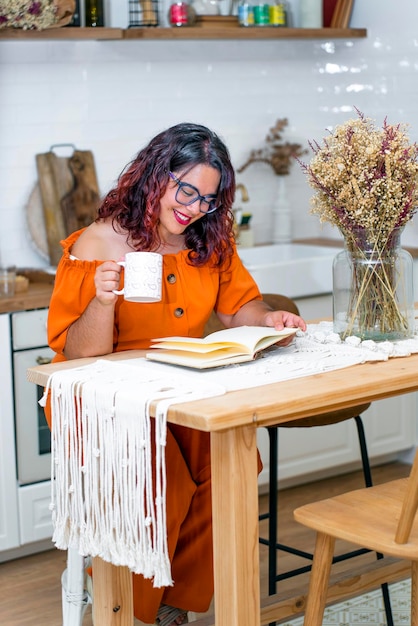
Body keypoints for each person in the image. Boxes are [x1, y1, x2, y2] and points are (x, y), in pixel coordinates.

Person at [46, 122, 306, 626]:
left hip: (180, 389)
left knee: (232, 462)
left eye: (208, 199)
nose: (193, 207)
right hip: (105, 398)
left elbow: (238, 310)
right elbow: (78, 354)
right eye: (186, 189)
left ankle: (173, 603)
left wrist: (267, 318)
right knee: (160, 479)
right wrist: (102, 300)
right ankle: (125, 603)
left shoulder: (209, 241)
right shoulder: (99, 243)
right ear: (155, 175)